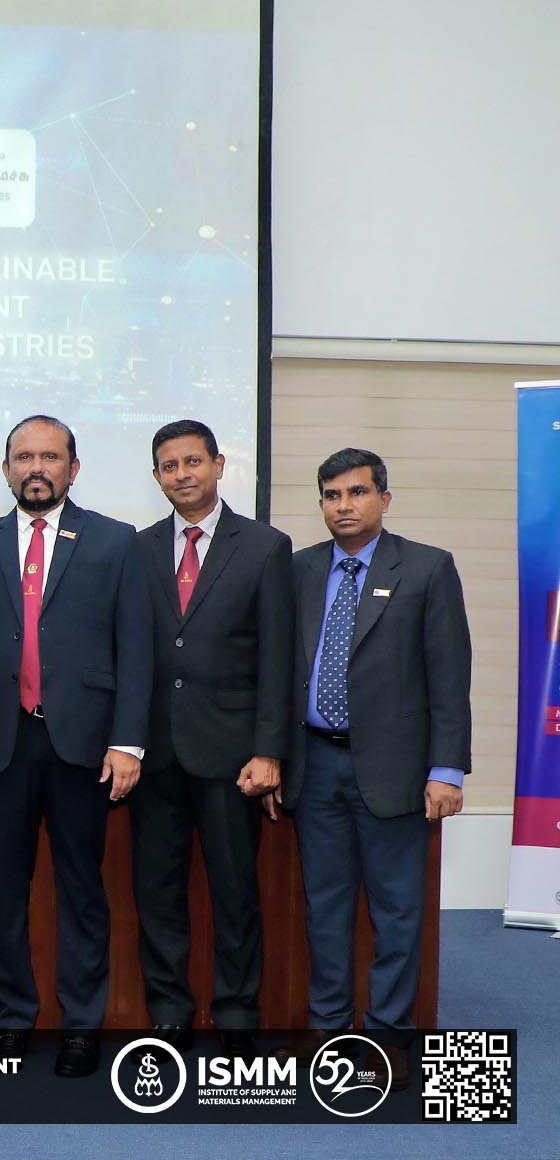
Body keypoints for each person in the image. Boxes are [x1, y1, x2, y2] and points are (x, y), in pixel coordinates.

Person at [0, 414, 151, 1078]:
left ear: (73, 469)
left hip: (84, 744)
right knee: (3, 888)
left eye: (50, 457)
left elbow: (135, 649)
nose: (36, 468)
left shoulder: (116, 541)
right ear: (6, 470)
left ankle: (82, 1025)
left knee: (82, 887)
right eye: (24, 457)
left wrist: (129, 742)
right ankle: (12, 1018)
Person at [285, 447, 469, 1083]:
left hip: (396, 772)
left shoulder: (427, 568)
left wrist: (447, 769)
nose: (345, 506)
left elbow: (450, 677)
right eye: (332, 495)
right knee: (325, 909)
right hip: (315, 767)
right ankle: (330, 1032)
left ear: (384, 499)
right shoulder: (300, 569)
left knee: (396, 913)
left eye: (358, 493)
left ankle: (388, 1037)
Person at [131, 420, 293, 1058]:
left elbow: (278, 657)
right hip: (154, 752)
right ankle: (168, 1011)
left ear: (219, 465)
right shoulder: (139, 548)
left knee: (234, 890)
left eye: (193, 461)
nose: (183, 474)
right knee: (157, 892)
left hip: (232, 754)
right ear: (156, 477)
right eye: (169, 466)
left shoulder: (264, 546)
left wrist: (269, 749)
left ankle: (236, 1012)